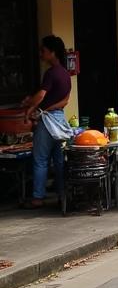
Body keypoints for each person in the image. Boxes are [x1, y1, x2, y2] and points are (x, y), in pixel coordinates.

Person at [21, 35, 72, 208]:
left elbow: (42, 95)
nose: (41, 54)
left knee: (40, 159)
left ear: (52, 52)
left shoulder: (51, 73)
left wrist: (30, 110)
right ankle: (62, 194)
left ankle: (37, 198)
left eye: (43, 51)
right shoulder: (65, 74)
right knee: (58, 160)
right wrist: (41, 105)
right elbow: (65, 101)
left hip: (47, 121)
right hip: (59, 120)